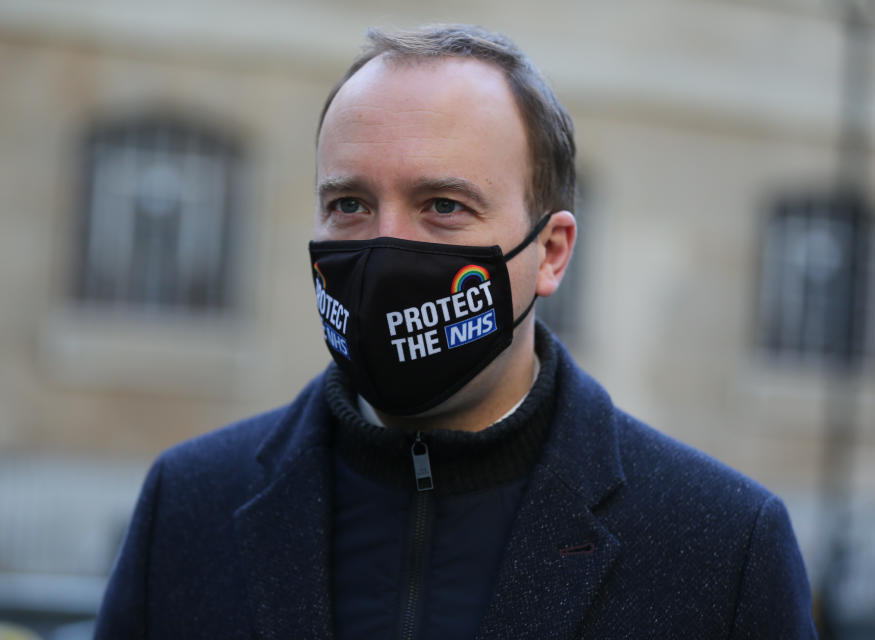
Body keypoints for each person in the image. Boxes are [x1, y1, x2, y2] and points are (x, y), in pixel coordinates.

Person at [94, 24, 817, 639]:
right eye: (348, 204)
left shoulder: (722, 548)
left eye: (442, 205)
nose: (383, 246)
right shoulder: (188, 508)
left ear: (551, 253)